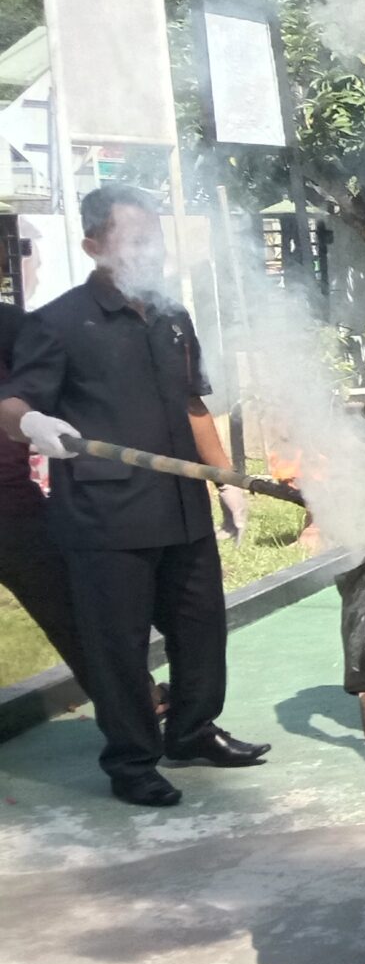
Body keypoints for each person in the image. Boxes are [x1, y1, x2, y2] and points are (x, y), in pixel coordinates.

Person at [0, 185, 269, 806]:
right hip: (106, 517)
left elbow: (192, 403)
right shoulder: (58, 323)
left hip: (181, 506)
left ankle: (192, 731)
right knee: (117, 648)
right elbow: (13, 404)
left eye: (157, 239)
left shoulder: (173, 316)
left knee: (201, 631)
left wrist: (224, 479)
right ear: (93, 246)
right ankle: (131, 761)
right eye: (136, 240)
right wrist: (33, 424)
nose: (152, 252)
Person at [0, 302, 104, 706]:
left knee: (72, 611)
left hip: (11, 508)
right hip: (13, 506)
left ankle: (139, 704)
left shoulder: (10, 325)